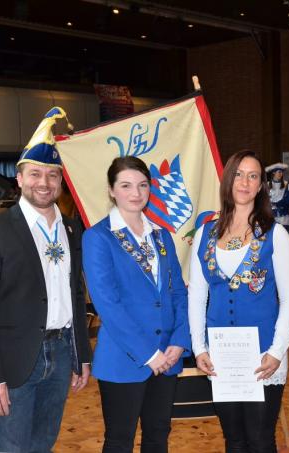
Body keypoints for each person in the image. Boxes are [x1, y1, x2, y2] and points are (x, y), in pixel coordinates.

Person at [0, 107, 92, 452]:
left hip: (63, 351)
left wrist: (82, 354)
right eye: (35, 174)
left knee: (42, 445)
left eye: (52, 175)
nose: (44, 183)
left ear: (61, 181)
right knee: (11, 447)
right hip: (15, 359)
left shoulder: (71, 229)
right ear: (19, 178)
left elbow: (74, 293)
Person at [188, 150, 289, 453]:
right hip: (220, 355)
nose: (245, 182)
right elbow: (197, 296)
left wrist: (277, 351)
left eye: (253, 176)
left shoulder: (275, 235)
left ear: (261, 184)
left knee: (261, 439)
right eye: (239, 174)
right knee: (234, 439)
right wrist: (199, 348)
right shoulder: (204, 234)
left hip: (264, 354)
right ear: (227, 179)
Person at [83, 156, 190, 453]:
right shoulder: (98, 237)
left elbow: (178, 292)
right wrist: (148, 354)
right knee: (119, 440)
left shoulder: (161, 235)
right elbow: (108, 304)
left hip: (168, 356)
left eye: (143, 185)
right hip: (125, 359)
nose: (136, 193)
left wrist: (180, 342)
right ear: (111, 190)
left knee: (158, 436)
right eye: (126, 185)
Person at [265, 162, 289, 230]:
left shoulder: (288, 185)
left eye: (282, 172)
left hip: (285, 219)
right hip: (271, 218)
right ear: (273, 173)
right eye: (279, 172)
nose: (281, 174)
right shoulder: (267, 185)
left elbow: (288, 203)